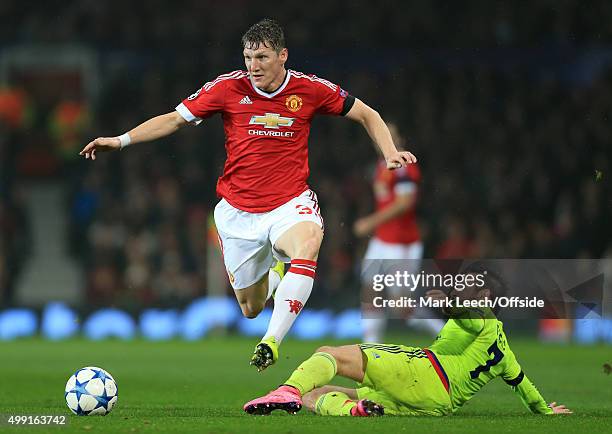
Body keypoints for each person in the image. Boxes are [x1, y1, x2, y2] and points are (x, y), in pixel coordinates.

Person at [79, 18, 416, 371]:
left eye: (263, 57)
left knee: (309, 242)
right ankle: (276, 277)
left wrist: (389, 151)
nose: (253, 66)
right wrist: (120, 141)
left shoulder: (309, 89)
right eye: (248, 57)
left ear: (283, 55)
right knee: (250, 308)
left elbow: (367, 113)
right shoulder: (226, 88)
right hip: (238, 213)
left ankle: (271, 341)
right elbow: (174, 120)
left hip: (290, 203)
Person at [243, 268, 572, 416]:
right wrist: (545, 411)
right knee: (317, 394)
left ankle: (285, 389)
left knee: (328, 353)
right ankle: (355, 411)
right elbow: (521, 383)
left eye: (469, 283)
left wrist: (447, 303)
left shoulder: (481, 314)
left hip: (424, 372)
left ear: (484, 295)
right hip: (435, 406)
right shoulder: (504, 350)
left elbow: (467, 311)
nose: (461, 285)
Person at [354, 121, 443, 342]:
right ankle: (370, 345)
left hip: (403, 243)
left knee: (400, 306)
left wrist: (370, 222)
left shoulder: (404, 165)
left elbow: (405, 203)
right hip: (382, 240)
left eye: (389, 135)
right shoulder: (380, 165)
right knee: (370, 290)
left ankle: (444, 334)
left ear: (399, 139)